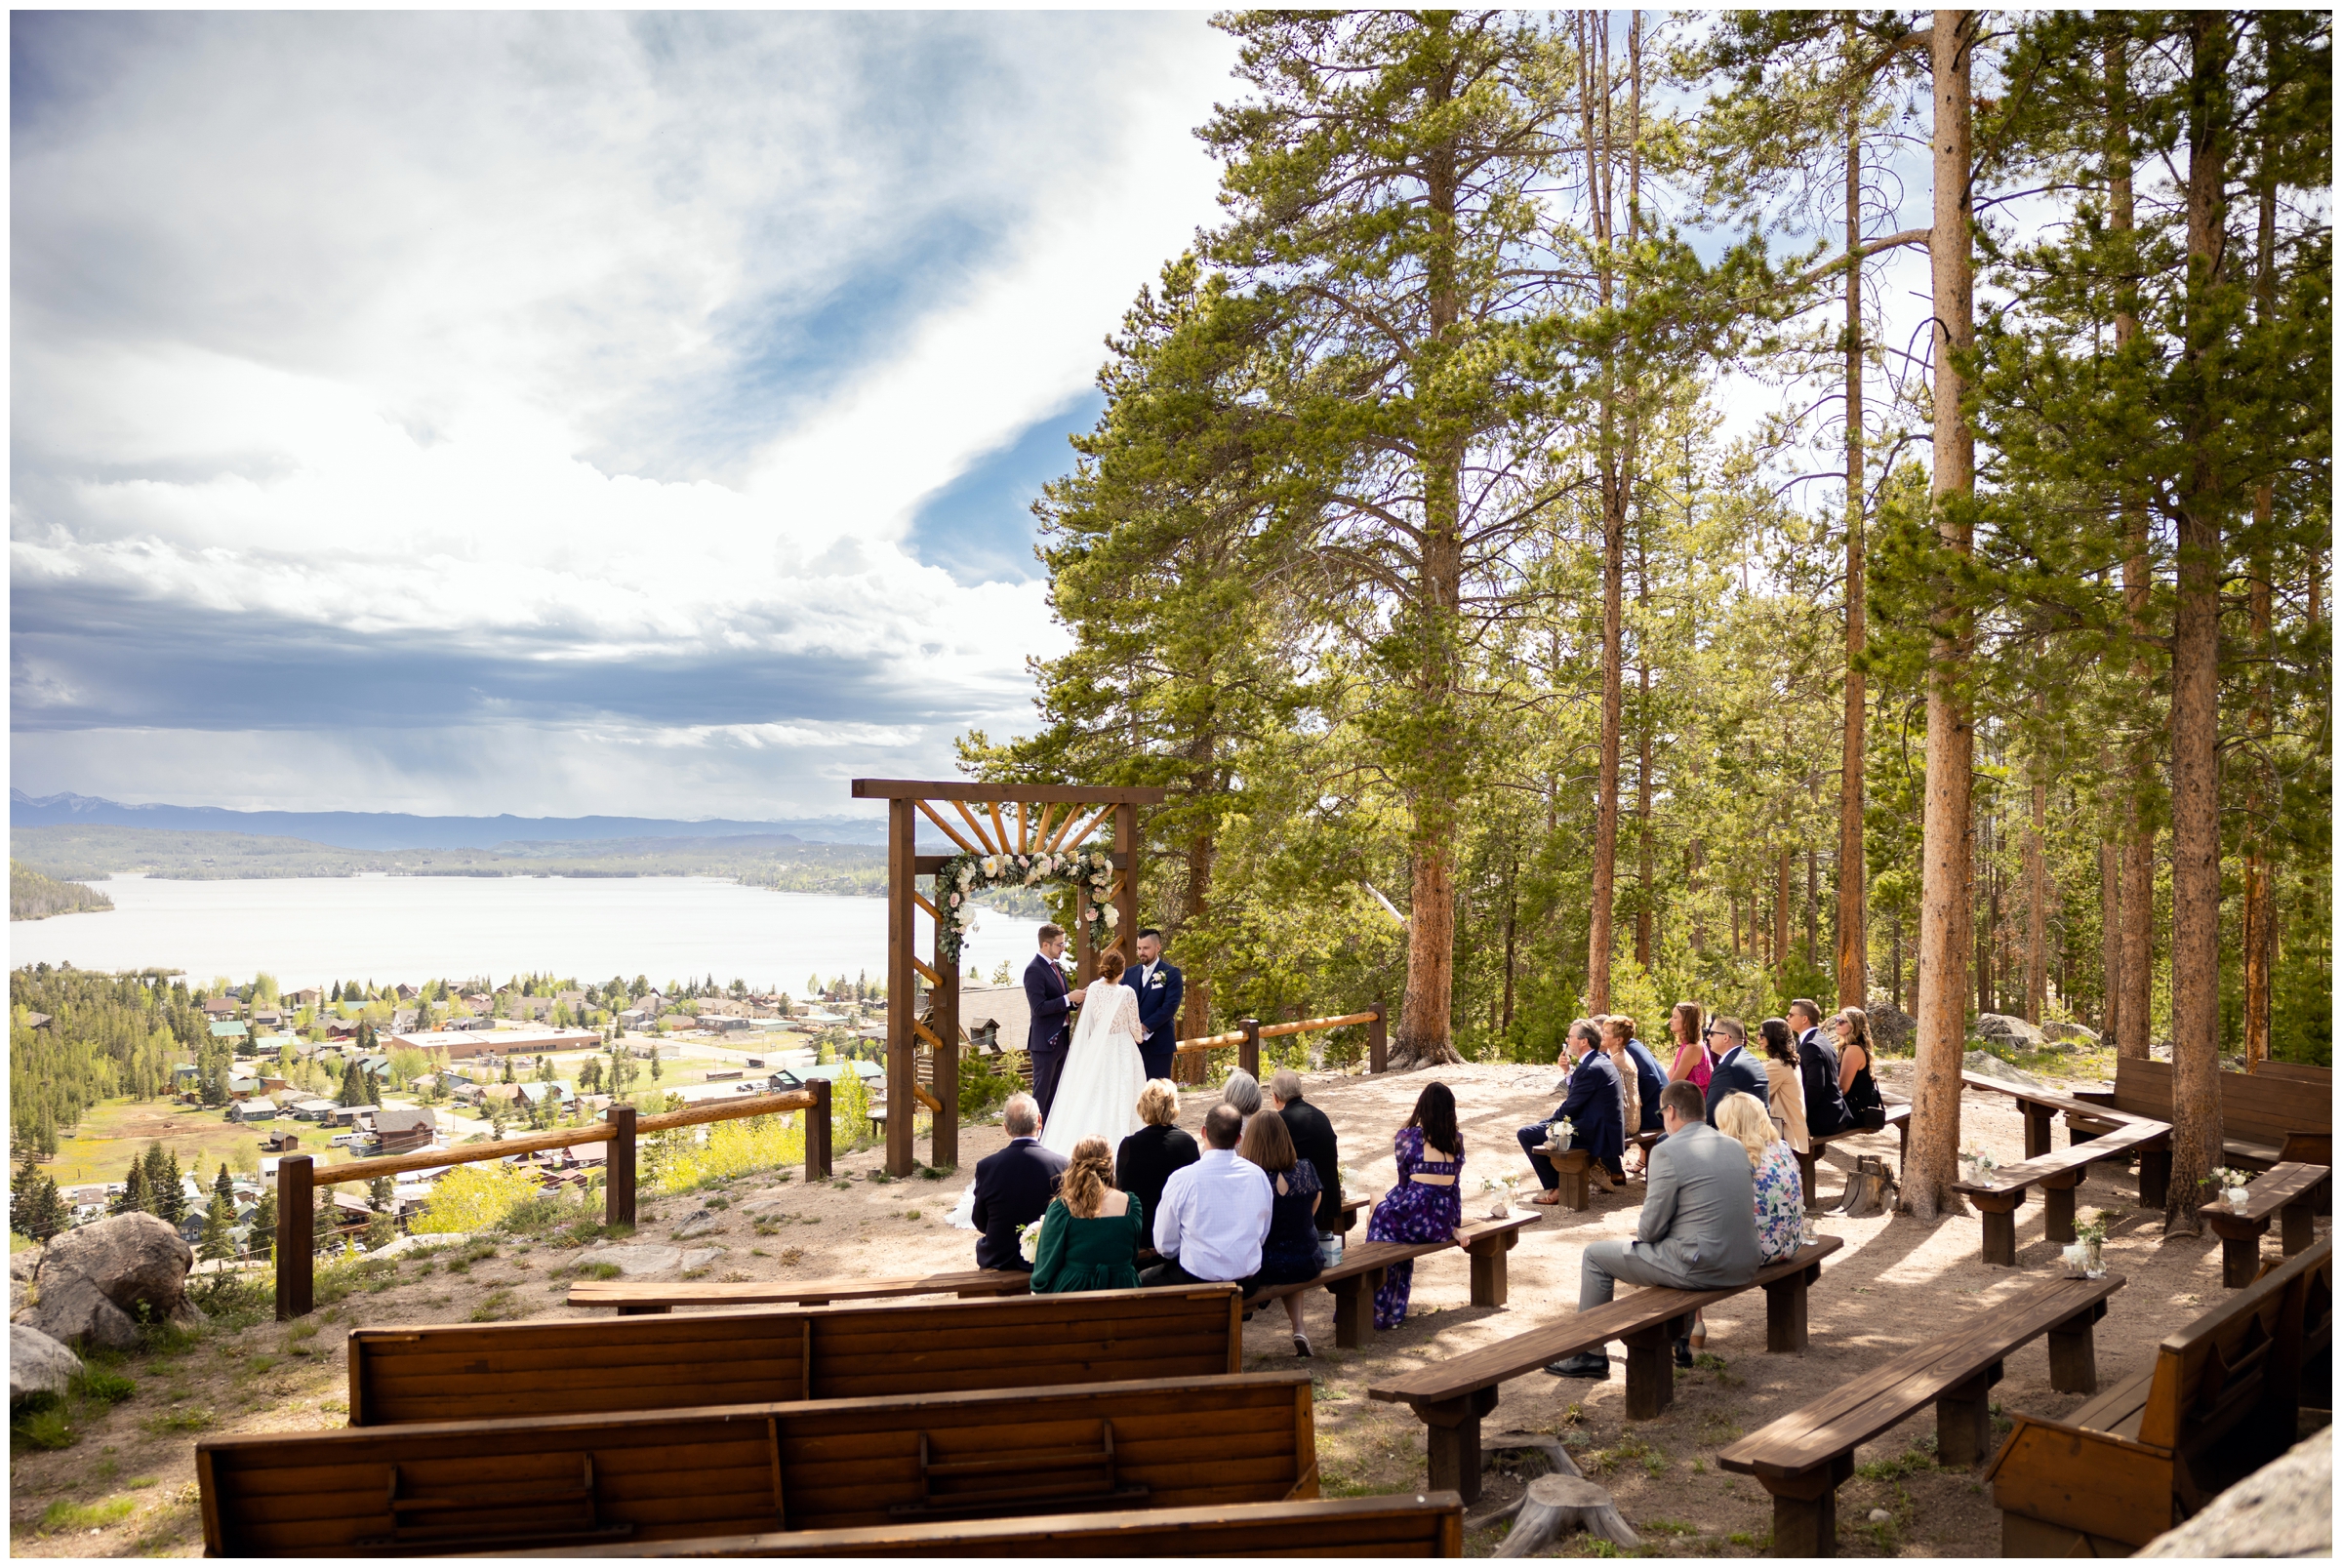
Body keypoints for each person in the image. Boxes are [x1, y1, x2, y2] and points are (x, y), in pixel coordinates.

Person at [1548, 1081, 1760, 1380]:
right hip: (1745, 1262)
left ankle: (1589, 1354)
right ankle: (1680, 1340)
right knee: (1682, 1243)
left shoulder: (1667, 1151)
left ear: (1670, 1111)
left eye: (1662, 1113)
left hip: (1702, 1266)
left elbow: (1649, 1230)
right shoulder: (1734, 1146)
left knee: (1595, 1255)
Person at [1684, 1091, 1806, 1353]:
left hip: (1755, 1250)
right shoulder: (1782, 1148)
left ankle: (1695, 1325)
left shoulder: (1736, 1156)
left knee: (1688, 1233)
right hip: (1789, 1243)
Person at [1366, 1082, 1466, 1330]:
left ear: (1423, 1108)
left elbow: (1403, 1183)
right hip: (1441, 1221)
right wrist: (1454, 1225)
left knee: (1375, 1206)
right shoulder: (1456, 1141)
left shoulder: (1409, 1138)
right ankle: (1392, 1307)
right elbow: (1455, 1188)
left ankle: (1376, 1304)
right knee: (1380, 1216)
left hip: (1415, 1217)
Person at [1143, 1102, 1272, 1288]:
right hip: (1246, 1279)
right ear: (1238, 1139)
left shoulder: (1183, 1179)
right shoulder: (1257, 1175)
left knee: (1141, 1280)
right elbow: (1262, 1233)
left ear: (1203, 1132)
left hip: (1198, 1279)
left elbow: (1165, 1245)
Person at [1039, 949, 1150, 1158]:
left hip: (1098, 1048)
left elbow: (1088, 1023)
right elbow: (1136, 1028)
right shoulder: (1126, 993)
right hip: (1122, 1048)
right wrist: (1139, 1038)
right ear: (1121, 970)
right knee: (1124, 1092)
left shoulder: (1093, 990)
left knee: (1095, 1094)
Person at [1239, 1110, 1324, 1356]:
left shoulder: (1251, 1179)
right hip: (1307, 1260)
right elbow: (1313, 1207)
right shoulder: (1306, 1169)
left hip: (1264, 1264)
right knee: (1294, 1248)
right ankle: (1299, 1326)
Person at [1029, 1135, 1148, 1294]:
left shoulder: (1062, 1208)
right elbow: (1131, 1255)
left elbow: (1045, 1269)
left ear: (1075, 1165)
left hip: (1074, 1291)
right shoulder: (1131, 1204)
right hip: (1124, 1289)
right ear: (1110, 1165)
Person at [1522, 1020, 1622, 1202]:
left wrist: (1549, 1123)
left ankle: (1556, 1187)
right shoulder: (1599, 1060)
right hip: (1602, 1127)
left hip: (1596, 1132)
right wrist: (1568, 1071)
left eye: (1570, 1036)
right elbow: (1579, 1097)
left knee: (1526, 1134)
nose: (1567, 1040)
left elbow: (1571, 1106)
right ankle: (1557, 1184)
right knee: (1541, 1128)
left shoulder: (1589, 1068)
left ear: (1583, 1041)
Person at [968, 1093, 1069, 1271]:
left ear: (1006, 1128)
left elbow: (980, 1221)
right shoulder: (1061, 1165)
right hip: (1047, 1257)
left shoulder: (987, 1166)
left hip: (999, 1259)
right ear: (1039, 1121)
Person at [1116, 1079, 1200, 1228]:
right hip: (1178, 1226)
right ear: (1173, 1106)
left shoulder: (1129, 1145)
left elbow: (1121, 1188)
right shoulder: (1188, 1143)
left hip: (1141, 1226)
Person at [1023, 926, 1086, 1119]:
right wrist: (1068, 998)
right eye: (1060, 944)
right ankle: (1033, 1137)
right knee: (1041, 1096)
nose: (1063, 948)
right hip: (1045, 1043)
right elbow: (1039, 1008)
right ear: (1045, 944)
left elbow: (1060, 1002)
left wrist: (1076, 1000)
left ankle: (1048, 1137)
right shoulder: (1034, 970)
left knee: (1056, 1095)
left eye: (1063, 943)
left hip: (1061, 1040)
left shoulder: (1055, 967)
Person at [1271, 1067, 1343, 1236]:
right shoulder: (1320, 1115)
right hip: (1329, 1196)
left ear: (1275, 1097)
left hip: (1303, 1203)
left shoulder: (1280, 1121)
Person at [1121, 929, 1185, 1082]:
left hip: (1159, 1044)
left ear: (1158, 948)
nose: (1141, 952)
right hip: (1132, 1044)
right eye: (1139, 948)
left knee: (1158, 1093)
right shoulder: (1129, 973)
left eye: (1146, 948)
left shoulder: (1171, 973)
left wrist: (1144, 1026)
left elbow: (1170, 1007)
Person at [1609, 1016, 1669, 1173]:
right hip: (1659, 1105)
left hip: (1657, 1109)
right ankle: (1614, 1169)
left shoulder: (1631, 1048)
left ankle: (1613, 1170)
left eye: (1605, 1031)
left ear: (1618, 1037)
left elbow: (1652, 1079)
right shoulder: (1629, 1046)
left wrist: (1637, 1104)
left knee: (1612, 1128)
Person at [1790, 998, 1853, 1139]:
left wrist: (1798, 1114)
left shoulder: (1810, 1045)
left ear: (1804, 1019)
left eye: (1791, 1015)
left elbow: (1815, 1087)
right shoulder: (1821, 1039)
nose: (1787, 1018)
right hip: (1833, 1112)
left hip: (1824, 1118)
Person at [1701, 1016, 1769, 1128]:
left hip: (1739, 1138)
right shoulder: (1752, 1060)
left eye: (1711, 1033)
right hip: (1757, 1133)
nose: (1708, 1037)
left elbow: (1711, 1115)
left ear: (1726, 1038)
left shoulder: (1727, 1068)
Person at [1759, 1018, 1810, 1154]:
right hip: (1796, 1129)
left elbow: (1758, 1096)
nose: (1758, 1038)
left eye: (1762, 1035)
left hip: (1787, 1135)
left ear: (1773, 1037)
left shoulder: (1776, 1065)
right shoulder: (1789, 1060)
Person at [1834, 1008, 1889, 1131]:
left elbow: (1843, 1089)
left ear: (1854, 1026)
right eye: (1837, 1020)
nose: (1837, 1023)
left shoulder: (1853, 1050)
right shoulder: (1852, 1047)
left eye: (1842, 1021)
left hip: (1858, 1111)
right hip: (1860, 1105)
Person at [1666, 1002, 1711, 1092]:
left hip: (1693, 1103)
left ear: (1686, 1022)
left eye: (1675, 1017)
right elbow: (1668, 1077)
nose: (1670, 1020)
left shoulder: (1692, 1048)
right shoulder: (1685, 1046)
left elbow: (1674, 1084)